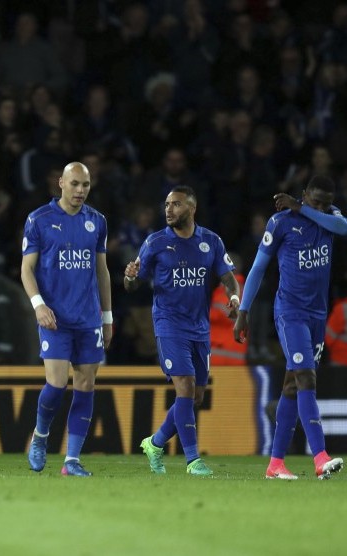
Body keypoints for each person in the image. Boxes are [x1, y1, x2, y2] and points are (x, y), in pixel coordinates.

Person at [234, 176, 347, 480]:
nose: (321, 206)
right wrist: (243, 311)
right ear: (304, 194)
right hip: (290, 313)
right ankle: (320, 457)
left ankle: (275, 465)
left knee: (291, 386)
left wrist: (304, 208)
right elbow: (258, 267)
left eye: (326, 202)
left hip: (317, 316)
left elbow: (344, 228)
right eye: (315, 201)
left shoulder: (330, 217)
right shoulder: (281, 222)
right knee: (306, 377)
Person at [124, 185, 240, 477]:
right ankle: (192, 460)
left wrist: (235, 298)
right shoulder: (155, 243)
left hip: (199, 328)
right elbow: (132, 284)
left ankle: (155, 442)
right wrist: (129, 277)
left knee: (196, 397)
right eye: (166, 204)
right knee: (185, 389)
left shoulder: (211, 241)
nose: (168, 210)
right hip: (169, 324)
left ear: (191, 208)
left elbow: (228, 278)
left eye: (176, 204)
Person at [21, 162, 112, 477]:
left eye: (85, 185)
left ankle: (71, 460)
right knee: (57, 384)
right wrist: (38, 305)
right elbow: (26, 269)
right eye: (74, 184)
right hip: (54, 319)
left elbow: (102, 271)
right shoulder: (40, 220)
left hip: (88, 319)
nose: (80, 191)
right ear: (60, 183)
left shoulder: (97, 221)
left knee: (86, 384)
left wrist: (108, 317)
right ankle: (41, 437)